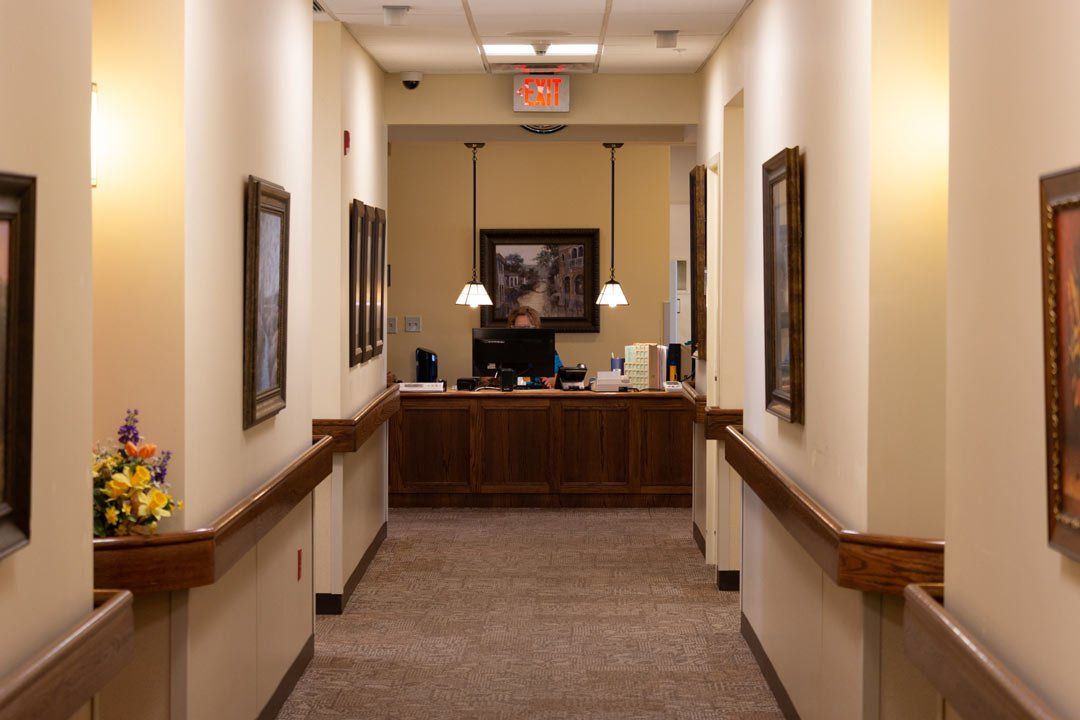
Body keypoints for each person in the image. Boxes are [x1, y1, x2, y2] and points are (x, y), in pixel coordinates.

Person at [507, 306, 562, 388]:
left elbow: (561, 376)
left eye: (527, 328)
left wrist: (551, 381)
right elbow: (492, 377)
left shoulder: (547, 349)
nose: (523, 332)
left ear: (535, 328)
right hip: (511, 395)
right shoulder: (506, 349)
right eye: (518, 328)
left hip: (540, 395)